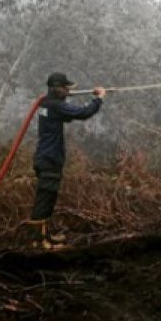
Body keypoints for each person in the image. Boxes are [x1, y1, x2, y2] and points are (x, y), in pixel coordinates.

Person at [25, 72, 106, 246]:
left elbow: (67, 112)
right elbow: (83, 113)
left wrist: (66, 98)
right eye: (65, 87)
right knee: (44, 200)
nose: (68, 90)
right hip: (49, 160)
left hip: (46, 158)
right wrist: (98, 98)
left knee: (48, 198)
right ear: (55, 88)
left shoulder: (48, 103)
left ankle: (45, 236)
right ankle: (39, 241)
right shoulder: (55, 106)